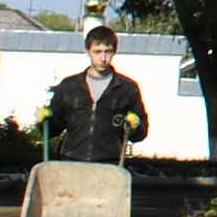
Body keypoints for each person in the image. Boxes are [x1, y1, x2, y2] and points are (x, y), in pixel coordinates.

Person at [45, 24, 149, 164]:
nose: (103, 58)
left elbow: (141, 134)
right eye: (97, 51)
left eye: (108, 51)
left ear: (114, 52)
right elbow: (51, 130)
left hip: (109, 164)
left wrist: (134, 126)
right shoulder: (69, 85)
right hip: (71, 162)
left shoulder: (127, 88)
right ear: (88, 51)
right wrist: (44, 119)